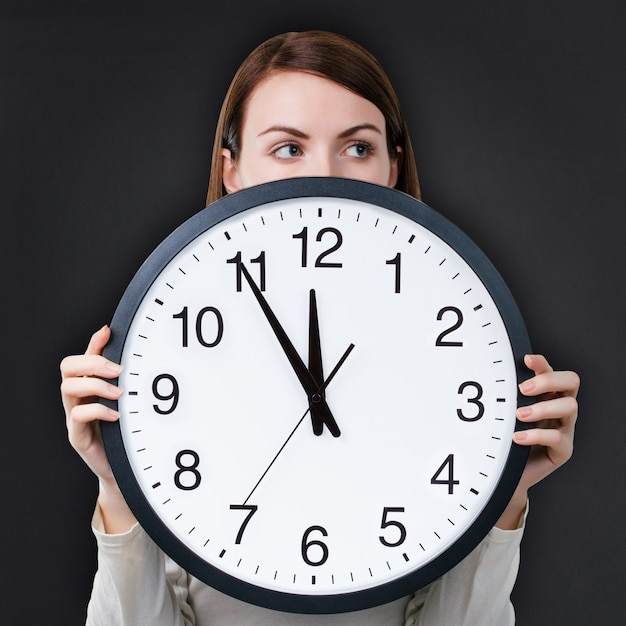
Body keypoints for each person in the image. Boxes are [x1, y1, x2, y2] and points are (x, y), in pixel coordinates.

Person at [60, 30, 579, 625]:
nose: (324, 175)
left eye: (357, 148)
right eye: (288, 148)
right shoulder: (167, 350)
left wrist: (505, 490)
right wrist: (120, 484)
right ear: (232, 170)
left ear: (392, 166)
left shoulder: (460, 340)